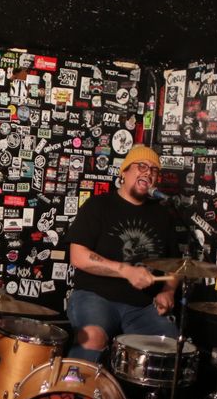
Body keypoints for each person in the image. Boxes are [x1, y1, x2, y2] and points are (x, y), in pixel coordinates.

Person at [66, 144, 179, 363]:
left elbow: (176, 265)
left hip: (142, 307)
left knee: (171, 344)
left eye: (154, 170)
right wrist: (125, 271)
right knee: (92, 337)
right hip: (95, 297)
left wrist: (168, 291)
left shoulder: (163, 215)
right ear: (124, 172)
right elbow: (78, 256)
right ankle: (73, 384)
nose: (148, 172)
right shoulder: (98, 205)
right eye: (142, 166)